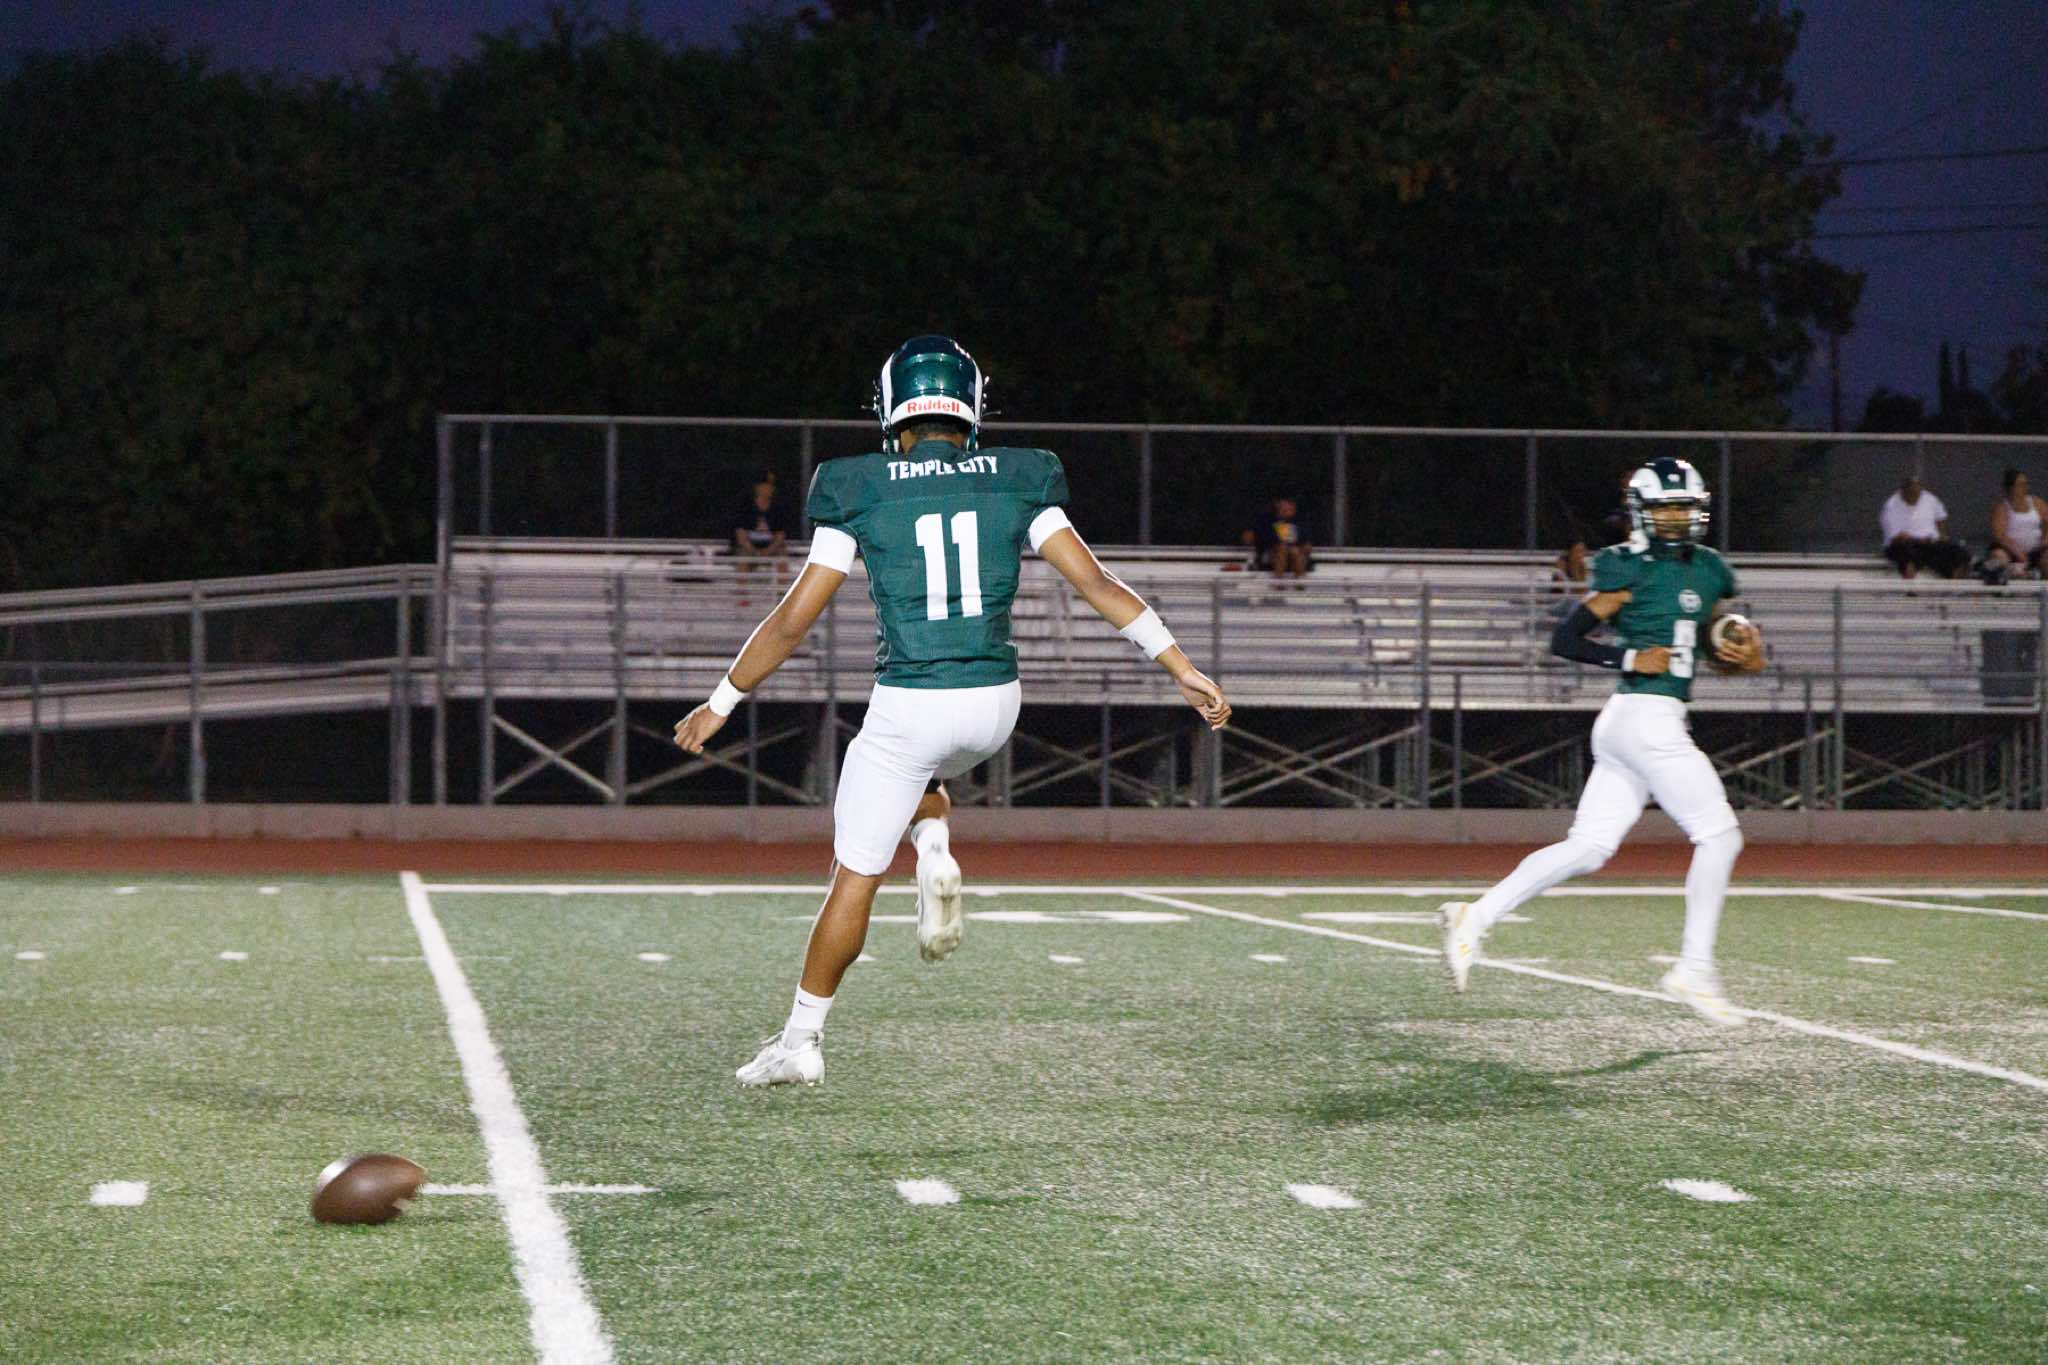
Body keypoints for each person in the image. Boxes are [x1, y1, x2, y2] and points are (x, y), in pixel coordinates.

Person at [674, 335, 1231, 1088]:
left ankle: (801, 1042)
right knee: (925, 774)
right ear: (970, 406)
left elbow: (791, 621)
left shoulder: (857, 486)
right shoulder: (1017, 477)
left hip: (913, 701)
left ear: (891, 409)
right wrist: (1181, 666)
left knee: (854, 872)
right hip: (996, 704)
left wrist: (722, 700)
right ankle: (933, 847)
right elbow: (1098, 584)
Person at [1437, 457, 1766, 1025]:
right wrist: (1628, 657)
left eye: (1683, 508)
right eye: (1665, 508)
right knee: (1720, 836)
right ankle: (1694, 968)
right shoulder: (1626, 566)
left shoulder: (1711, 570)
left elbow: (1708, 645)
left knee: (1589, 847)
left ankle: (1476, 916)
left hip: (1638, 722)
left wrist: (1745, 656)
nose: (1675, 518)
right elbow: (1566, 639)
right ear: (1641, 512)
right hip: (1644, 717)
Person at [1879, 476, 1969, 579]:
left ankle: (1956, 584)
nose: (1915, 496)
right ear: (1903, 491)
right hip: (1904, 545)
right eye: (1911, 492)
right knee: (1907, 552)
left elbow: (1940, 517)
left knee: (1958, 552)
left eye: (1917, 492)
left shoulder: (1930, 499)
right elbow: (1896, 537)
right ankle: (1910, 584)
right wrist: (1919, 540)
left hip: (1929, 544)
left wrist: (1941, 535)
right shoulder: (1891, 506)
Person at [1983, 468, 2047, 582]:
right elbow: (2000, 536)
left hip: (2036, 551)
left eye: (2025, 484)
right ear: (2011, 488)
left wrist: (2044, 541)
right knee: (1998, 556)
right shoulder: (2002, 508)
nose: (2025, 488)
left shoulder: (2037, 503)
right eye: (2020, 485)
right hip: (2010, 552)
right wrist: (2019, 554)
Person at [1242, 497, 1313, 578]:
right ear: (1278, 505)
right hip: (1272, 554)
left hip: (1293, 555)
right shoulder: (1266, 521)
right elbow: (1259, 539)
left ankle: (1299, 583)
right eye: (1286, 505)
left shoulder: (1299, 523)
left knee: (1295, 552)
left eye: (1291, 506)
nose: (1289, 508)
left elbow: (1305, 541)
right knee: (1282, 549)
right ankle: (1278, 582)